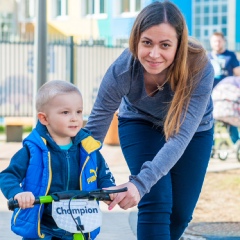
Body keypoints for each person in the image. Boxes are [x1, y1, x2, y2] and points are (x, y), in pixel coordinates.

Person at [85, 1, 215, 240]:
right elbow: (94, 130)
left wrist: (139, 185)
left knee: (180, 214)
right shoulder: (123, 70)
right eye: (147, 43)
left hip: (193, 131)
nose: (154, 54)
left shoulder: (199, 67)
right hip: (140, 123)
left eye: (165, 45)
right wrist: (67, 168)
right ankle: (149, 216)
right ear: (136, 40)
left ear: (179, 45)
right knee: (156, 201)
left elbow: (181, 136)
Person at [0, 80, 115, 240]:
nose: (75, 118)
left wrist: (109, 189)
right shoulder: (33, 149)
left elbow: (103, 175)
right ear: (44, 118)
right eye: (65, 112)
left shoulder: (88, 148)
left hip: (79, 223)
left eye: (79, 112)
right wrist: (18, 194)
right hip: (44, 226)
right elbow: (8, 176)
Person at [208, 32, 240, 145]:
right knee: (209, 122)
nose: (217, 43)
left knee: (230, 119)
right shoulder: (208, 57)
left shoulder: (230, 55)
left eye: (219, 41)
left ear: (224, 41)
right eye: (214, 41)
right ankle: (211, 146)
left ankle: (236, 144)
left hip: (227, 95)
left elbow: (238, 74)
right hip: (210, 95)